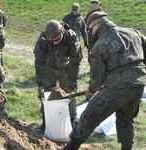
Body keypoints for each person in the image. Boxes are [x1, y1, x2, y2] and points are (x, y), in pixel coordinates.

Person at [63, 11, 146, 150]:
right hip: (139, 85)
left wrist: (91, 90)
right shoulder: (133, 32)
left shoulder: (100, 45)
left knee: (90, 114)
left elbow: (97, 76)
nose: (91, 32)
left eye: (90, 29)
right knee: (126, 117)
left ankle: (71, 146)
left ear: (97, 24)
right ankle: (127, 148)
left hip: (117, 86)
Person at [34, 19, 83, 134]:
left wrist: (73, 81)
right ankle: (45, 123)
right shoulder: (45, 37)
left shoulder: (72, 37)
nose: (55, 42)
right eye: (52, 41)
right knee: (45, 95)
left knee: (69, 95)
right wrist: (40, 82)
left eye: (57, 40)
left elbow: (75, 61)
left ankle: (71, 124)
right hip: (49, 68)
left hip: (65, 69)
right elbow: (39, 60)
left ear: (63, 32)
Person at [85, 0, 102, 66]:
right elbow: (85, 23)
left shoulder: (101, 14)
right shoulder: (90, 14)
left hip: (98, 37)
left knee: (98, 53)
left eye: (92, 4)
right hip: (91, 37)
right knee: (90, 53)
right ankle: (91, 67)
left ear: (97, 5)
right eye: (91, 4)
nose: (91, 6)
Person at [0, 1, 7, 66]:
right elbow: (5, 23)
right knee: (0, 50)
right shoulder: (1, 12)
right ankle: (1, 66)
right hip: (0, 33)